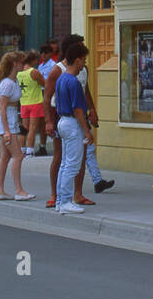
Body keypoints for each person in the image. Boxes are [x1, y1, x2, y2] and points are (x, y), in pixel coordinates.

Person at [43, 33, 112, 209]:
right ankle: (56, 195)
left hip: (75, 114)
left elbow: (85, 91)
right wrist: (48, 121)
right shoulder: (58, 71)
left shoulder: (81, 71)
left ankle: (77, 194)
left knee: (77, 158)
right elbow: (47, 97)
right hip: (63, 114)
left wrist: (93, 109)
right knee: (62, 157)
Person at [53, 42, 92, 215]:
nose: (84, 64)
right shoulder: (74, 82)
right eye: (83, 60)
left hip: (62, 121)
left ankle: (61, 200)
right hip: (72, 124)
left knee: (65, 163)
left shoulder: (61, 78)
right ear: (77, 60)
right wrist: (87, 131)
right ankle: (66, 201)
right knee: (73, 164)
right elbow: (78, 110)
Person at [0, 51, 34, 201]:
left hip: (9, 122)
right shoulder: (8, 84)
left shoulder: (12, 82)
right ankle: (19, 190)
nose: (23, 64)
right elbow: (2, 108)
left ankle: (0, 190)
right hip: (6, 123)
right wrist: (7, 131)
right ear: (15, 64)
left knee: (5, 157)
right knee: (18, 155)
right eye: (21, 62)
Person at [17, 51, 46, 157]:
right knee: (33, 128)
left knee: (24, 128)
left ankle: (22, 150)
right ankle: (30, 151)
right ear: (33, 60)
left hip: (24, 102)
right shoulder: (34, 71)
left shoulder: (19, 73)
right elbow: (45, 83)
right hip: (35, 102)